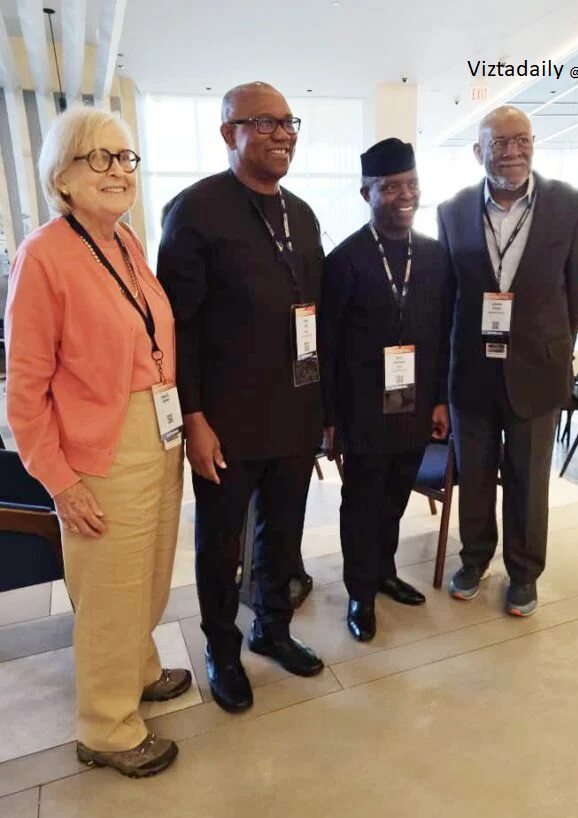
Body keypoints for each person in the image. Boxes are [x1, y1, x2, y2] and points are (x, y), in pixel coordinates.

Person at [5, 107, 188, 777]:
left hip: (155, 433)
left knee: (149, 572)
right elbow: (24, 390)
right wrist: (60, 480)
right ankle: (107, 729)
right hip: (100, 448)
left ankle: (137, 670)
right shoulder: (43, 255)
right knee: (110, 592)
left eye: (126, 157)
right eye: (99, 158)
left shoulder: (125, 244)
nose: (119, 171)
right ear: (63, 173)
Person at [157, 82, 324, 714]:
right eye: (266, 123)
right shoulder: (195, 211)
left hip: (294, 413)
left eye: (290, 123)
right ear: (230, 134)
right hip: (223, 420)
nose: (284, 134)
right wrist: (193, 417)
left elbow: (315, 318)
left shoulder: (302, 214)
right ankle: (222, 650)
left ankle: (273, 628)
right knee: (220, 545)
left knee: (283, 536)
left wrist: (321, 413)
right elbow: (181, 328)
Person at [437, 105, 578, 617]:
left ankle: (524, 574)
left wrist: (556, 352)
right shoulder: (453, 209)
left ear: (534, 143)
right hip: (472, 371)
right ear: (478, 150)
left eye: (521, 139)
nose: (512, 151)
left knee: (529, 480)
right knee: (476, 477)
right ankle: (474, 558)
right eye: (499, 142)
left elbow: (574, 293)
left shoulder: (570, 205)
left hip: (537, 368)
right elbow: (449, 297)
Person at [320, 138, 451, 642]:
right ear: (366, 193)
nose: (404, 194)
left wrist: (439, 398)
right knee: (362, 501)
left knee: (397, 494)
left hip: (416, 404)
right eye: (391, 186)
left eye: (411, 184)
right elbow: (327, 344)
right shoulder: (346, 260)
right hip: (362, 409)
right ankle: (360, 592)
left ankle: (385, 571)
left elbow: (441, 332)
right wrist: (329, 417)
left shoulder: (436, 256)